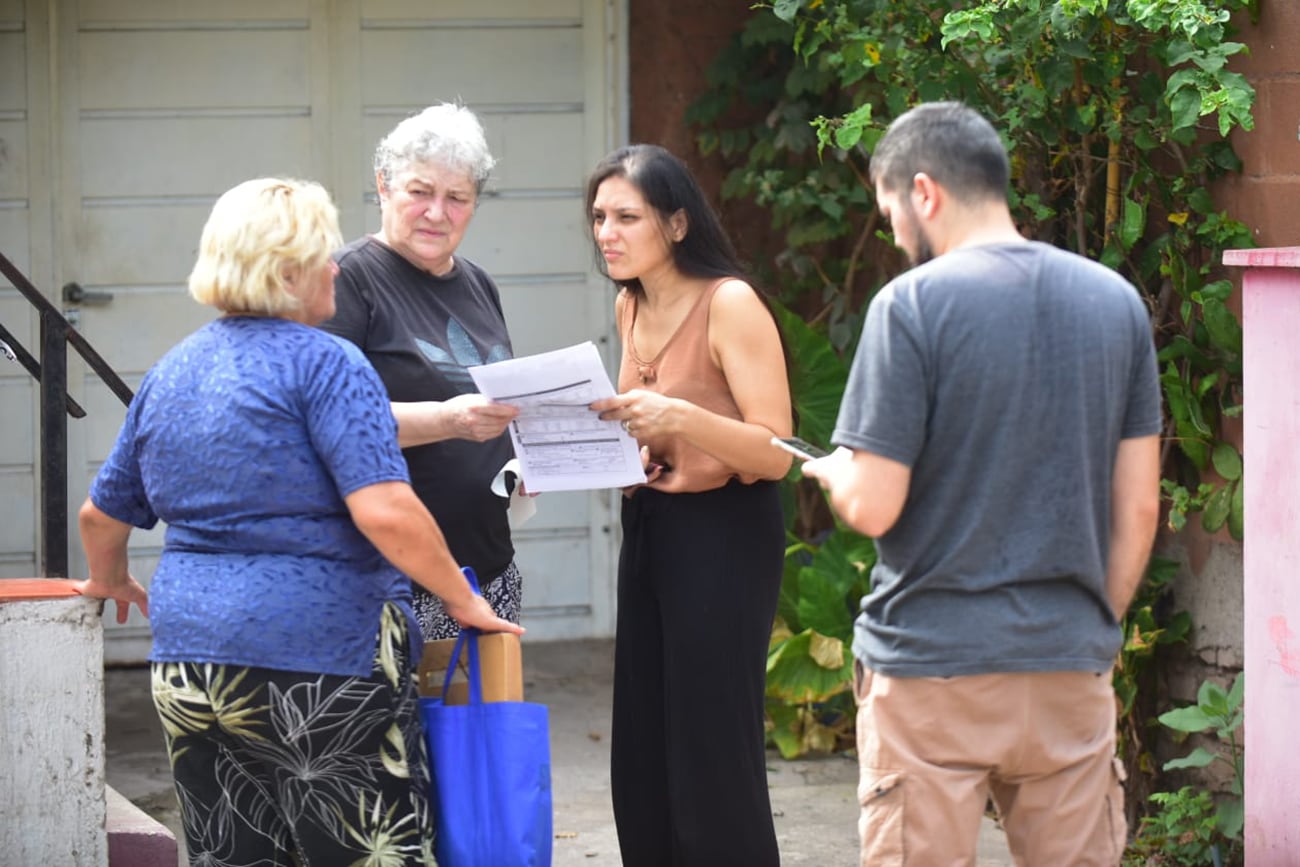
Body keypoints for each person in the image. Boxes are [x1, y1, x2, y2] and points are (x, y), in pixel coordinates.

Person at [75, 177, 522, 865]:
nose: (337, 266)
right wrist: (468, 603)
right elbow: (386, 510)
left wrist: (110, 580)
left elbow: (101, 514)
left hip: (190, 666)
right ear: (287, 272)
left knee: (239, 855)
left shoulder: (172, 369)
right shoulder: (330, 364)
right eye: (322, 255)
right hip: (321, 665)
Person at [801, 101, 1162, 866]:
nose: (897, 236)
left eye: (891, 212)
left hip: (933, 667)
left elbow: (872, 504)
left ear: (923, 192)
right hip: (1068, 665)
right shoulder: (1115, 303)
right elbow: (1138, 504)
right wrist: (1096, 628)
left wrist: (837, 471)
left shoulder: (912, 306)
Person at [586, 144, 794, 866]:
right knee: (645, 734)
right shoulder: (629, 300)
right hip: (652, 523)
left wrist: (679, 419)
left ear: (677, 223)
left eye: (626, 217)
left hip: (726, 531)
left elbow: (775, 450)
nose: (607, 232)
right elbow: (640, 425)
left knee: (710, 738)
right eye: (599, 217)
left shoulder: (728, 302)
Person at [321, 103, 524, 641]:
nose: (437, 212)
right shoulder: (346, 281)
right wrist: (447, 421)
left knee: (480, 727)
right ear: (383, 186)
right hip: (388, 585)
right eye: (420, 191)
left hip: (488, 571)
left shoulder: (479, 284)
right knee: (405, 729)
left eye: (456, 198)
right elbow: (326, 422)